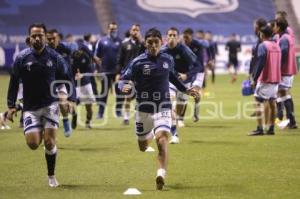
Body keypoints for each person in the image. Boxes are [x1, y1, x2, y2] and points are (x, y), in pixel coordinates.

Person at [119, 28, 199, 190]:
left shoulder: (168, 59)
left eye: (156, 42)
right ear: (145, 43)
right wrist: (124, 86)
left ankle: (161, 173)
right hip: (143, 109)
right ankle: (147, 134)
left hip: (163, 106)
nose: (153, 45)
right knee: (143, 146)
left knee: (162, 139)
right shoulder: (137, 62)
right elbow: (123, 79)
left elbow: (172, 77)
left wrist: (185, 89)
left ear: (161, 42)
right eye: (150, 43)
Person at [6, 23, 76, 187]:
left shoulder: (55, 57)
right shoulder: (22, 58)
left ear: (45, 37)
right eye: (34, 35)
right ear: (29, 38)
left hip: (50, 105)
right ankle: (46, 140)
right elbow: (14, 82)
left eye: (40, 35)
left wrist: (70, 98)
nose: (37, 38)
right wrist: (11, 105)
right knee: (32, 144)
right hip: (30, 108)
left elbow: (67, 77)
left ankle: (51, 176)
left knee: (50, 142)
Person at [161, 27, 197, 143]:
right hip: (170, 81)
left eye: (174, 35)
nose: (172, 37)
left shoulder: (184, 50)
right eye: (170, 35)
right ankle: (174, 134)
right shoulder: (162, 50)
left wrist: (187, 75)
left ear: (178, 37)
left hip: (184, 82)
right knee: (171, 106)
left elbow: (197, 66)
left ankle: (178, 119)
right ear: (166, 37)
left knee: (180, 108)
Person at [248, 25, 281, 136]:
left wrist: (254, 78)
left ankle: (260, 128)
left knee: (258, 102)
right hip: (276, 78)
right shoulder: (276, 45)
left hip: (265, 78)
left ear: (262, 34)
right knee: (272, 102)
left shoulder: (263, 46)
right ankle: (271, 128)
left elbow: (261, 62)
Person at [46, 29, 76, 136]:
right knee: (49, 110)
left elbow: (69, 72)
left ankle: (66, 121)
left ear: (58, 38)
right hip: (47, 85)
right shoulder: (43, 52)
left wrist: (72, 98)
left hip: (60, 82)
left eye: (54, 38)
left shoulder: (64, 49)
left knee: (63, 103)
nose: (52, 41)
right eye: (49, 39)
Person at [117, 23, 145, 124]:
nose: (135, 32)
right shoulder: (124, 44)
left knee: (141, 97)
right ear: (130, 31)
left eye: (137, 30)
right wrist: (118, 73)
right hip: (128, 74)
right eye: (133, 30)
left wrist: (141, 40)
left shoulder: (143, 44)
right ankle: (126, 118)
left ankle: (139, 115)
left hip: (141, 74)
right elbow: (120, 60)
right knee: (127, 97)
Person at [94, 22, 122, 119]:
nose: (113, 31)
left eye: (115, 29)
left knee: (119, 92)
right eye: (111, 29)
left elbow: (122, 57)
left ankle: (118, 112)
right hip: (105, 71)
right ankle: (100, 113)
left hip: (117, 72)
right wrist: (99, 69)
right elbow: (96, 56)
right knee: (104, 93)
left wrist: (120, 70)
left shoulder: (120, 41)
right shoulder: (101, 41)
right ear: (108, 29)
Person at [275, 17, 298, 129]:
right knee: (283, 95)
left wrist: (277, 67)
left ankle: (290, 121)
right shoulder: (286, 37)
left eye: (274, 25)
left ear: (278, 27)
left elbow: (283, 54)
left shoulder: (284, 38)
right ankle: (289, 120)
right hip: (287, 71)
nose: (273, 27)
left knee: (284, 96)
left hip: (284, 72)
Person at [182, 28, 208, 122]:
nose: (185, 39)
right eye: (184, 37)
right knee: (183, 95)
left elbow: (199, 62)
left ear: (191, 36)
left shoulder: (198, 45)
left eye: (187, 37)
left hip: (198, 72)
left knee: (195, 93)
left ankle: (196, 113)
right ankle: (181, 118)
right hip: (187, 72)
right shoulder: (181, 45)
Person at [72, 38, 97, 129]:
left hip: (86, 83)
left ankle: (88, 121)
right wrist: (74, 75)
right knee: (73, 104)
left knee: (89, 106)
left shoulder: (86, 57)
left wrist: (83, 74)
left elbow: (90, 71)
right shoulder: (71, 57)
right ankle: (74, 116)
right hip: (75, 84)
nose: (78, 50)